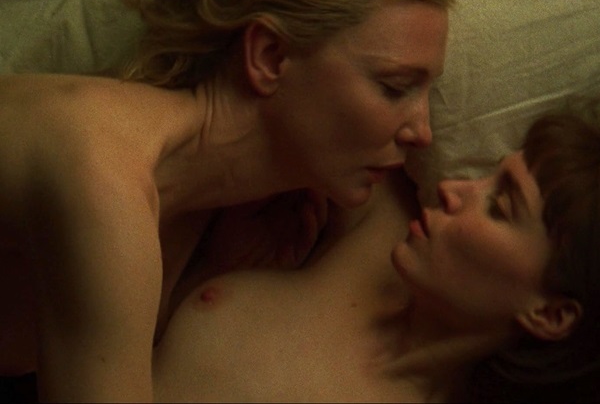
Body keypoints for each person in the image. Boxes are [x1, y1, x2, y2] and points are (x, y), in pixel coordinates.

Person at [0, 0, 454, 401]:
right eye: (394, 87)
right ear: (269, 56)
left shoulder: (185, 208)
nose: (423, 132)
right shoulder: (104, 180)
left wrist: (206, 273)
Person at [151, 113, 600, 402]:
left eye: (499, 207)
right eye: (488, 175)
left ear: (550, 314)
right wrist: (214, 265)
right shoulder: (382, 220)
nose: (452, 188)